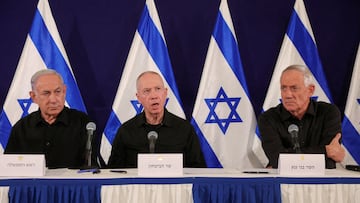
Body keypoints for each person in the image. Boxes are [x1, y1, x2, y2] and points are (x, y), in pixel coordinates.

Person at [108, 71, 206, 168]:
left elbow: (198, 169)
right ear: (138, 98)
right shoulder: (126, 131)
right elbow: (114, 172)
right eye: (147, 91)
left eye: (158, 89)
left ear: (165, 93)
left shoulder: (184, 129)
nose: (154, 96)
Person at [258, 65, 345, 169]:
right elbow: (277, 159)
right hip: (286, 183)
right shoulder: (268, 118)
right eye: (283, 88)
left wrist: (289, 158)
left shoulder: (328, 113)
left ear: (310, 90)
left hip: (322, 182)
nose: (287, 95)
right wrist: (325, 150)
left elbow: (329, 161)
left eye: (294, 88)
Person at [5, 69, 94, 169]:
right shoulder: (22, 128)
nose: (53, 100)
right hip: (33, 184)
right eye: (46, 93)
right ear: (34, 97)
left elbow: (91, 166)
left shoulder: (83, 123)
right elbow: (10, 167)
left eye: (57, 92)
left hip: (72, 184)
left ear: (64, 91)